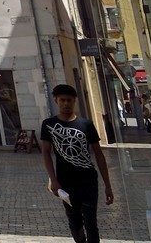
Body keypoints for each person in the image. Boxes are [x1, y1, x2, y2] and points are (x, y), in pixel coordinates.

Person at [40, 83, 114, 243]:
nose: (66, 103)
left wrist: (108, 185)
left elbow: (99, 155)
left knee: (91, 221)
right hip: (65, 181)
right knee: (74, 221)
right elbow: (46, 153)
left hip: (88, 180)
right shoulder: (48, 124)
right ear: (56, 101)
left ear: (74, 101)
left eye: (69, 100)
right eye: (62, 100)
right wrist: (53, 180)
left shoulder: (86, 125)